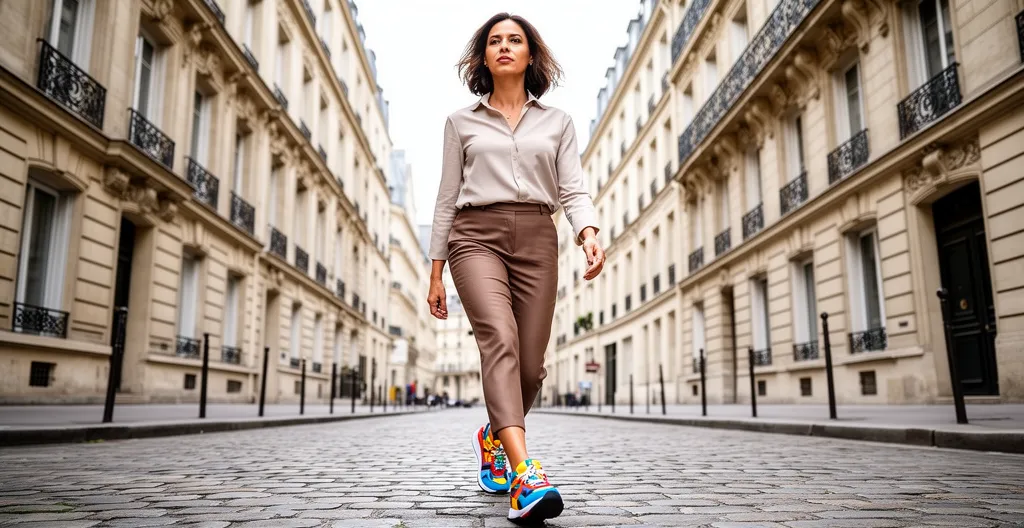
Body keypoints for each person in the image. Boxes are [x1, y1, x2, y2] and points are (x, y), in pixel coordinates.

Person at [426, 12, 605, 524]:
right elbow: (444, 199)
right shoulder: (460, 122)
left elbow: (572, 188)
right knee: (499, 338)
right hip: (473, 235)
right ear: (484, 56)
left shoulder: (558, 122)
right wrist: (436, 271)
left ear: (530, 54)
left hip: (537, 238)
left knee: (530, 366)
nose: (505, 46)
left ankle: (493, 435)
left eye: (515, 40)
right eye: (495, 41)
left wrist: (587, 233)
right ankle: (526, 476)